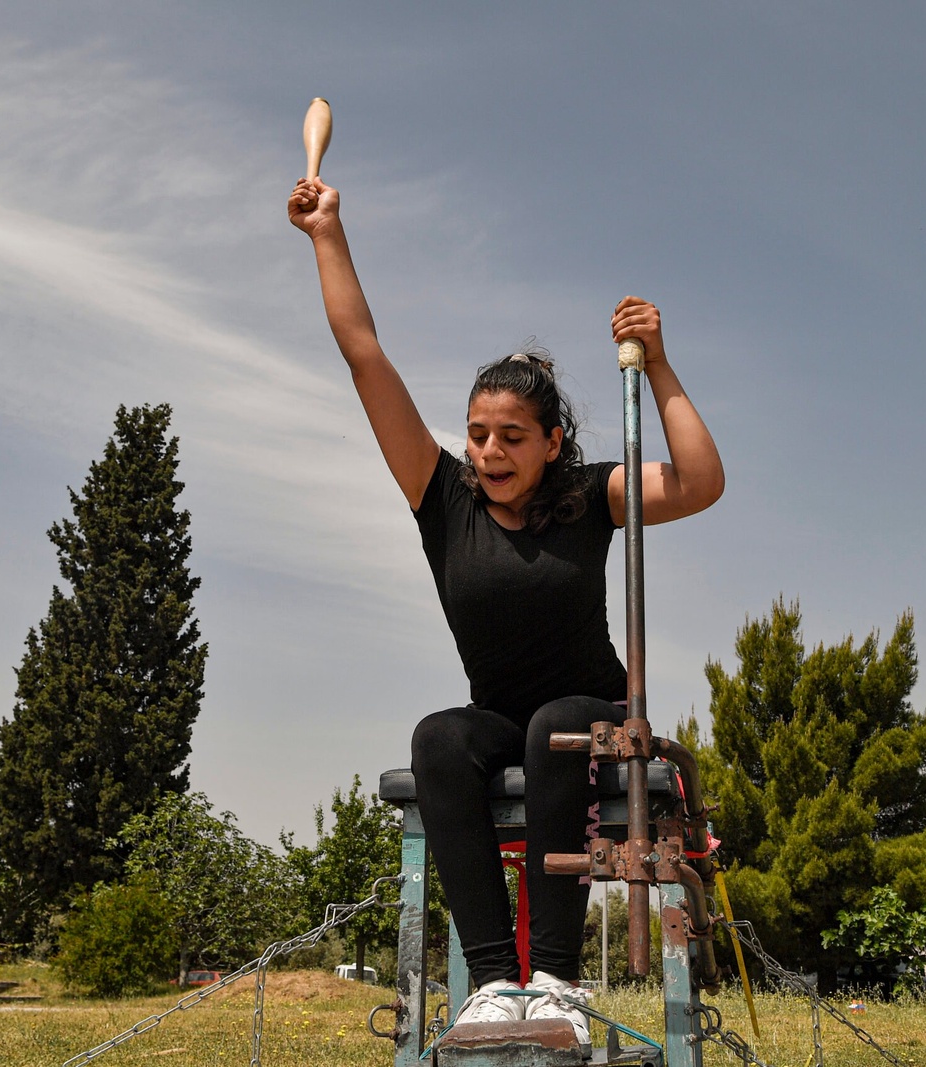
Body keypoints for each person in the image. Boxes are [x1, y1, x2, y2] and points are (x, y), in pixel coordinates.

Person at [288, 175, 723, 1049]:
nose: (489, 452)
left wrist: (662, 362)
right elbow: (364, 353)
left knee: (558, 723)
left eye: (512, 437)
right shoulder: (440, 494)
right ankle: (494, 983)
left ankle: (554, 979)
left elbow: (701, 481)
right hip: (501, 715)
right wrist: (326, 234)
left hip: (590, 712)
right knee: (440, 736)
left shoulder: (586, 493)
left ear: (553, 442)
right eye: (479, 434)